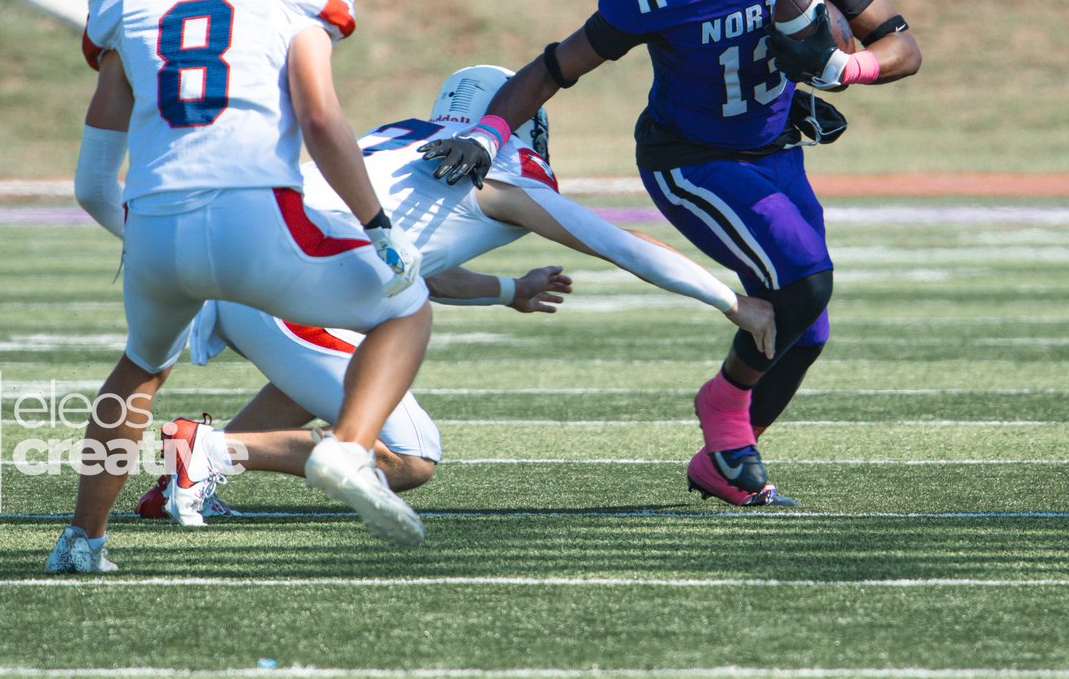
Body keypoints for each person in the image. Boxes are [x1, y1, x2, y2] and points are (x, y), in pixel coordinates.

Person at [419, 0, 922, 507]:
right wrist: (487, 133)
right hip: (690, 159)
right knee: (805, 284)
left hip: (773, 148)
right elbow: (558, 66)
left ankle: (726, 459)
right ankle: (721, 406)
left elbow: (901, 45)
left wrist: (843, 70)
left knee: (805, 327)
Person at [123, 64, 777, 523]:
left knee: (333, 373)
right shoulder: (500, 171)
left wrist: (506, 290)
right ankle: (207, 450)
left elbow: (406, 264)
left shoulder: (403, 139)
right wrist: (731, 301)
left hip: (250, 270)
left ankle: (182, 484)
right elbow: (620, 244)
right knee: (411, 457)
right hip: (291, 280)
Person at [46, 0, 432, 572]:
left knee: (137, 370)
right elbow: (320, 120)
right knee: (406, 307)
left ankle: (83, 539)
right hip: (260, 212)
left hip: (155, 223)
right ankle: (347, 448)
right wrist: (379, 227)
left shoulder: (124, 3)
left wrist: (149, 243)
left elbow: (95, 181)